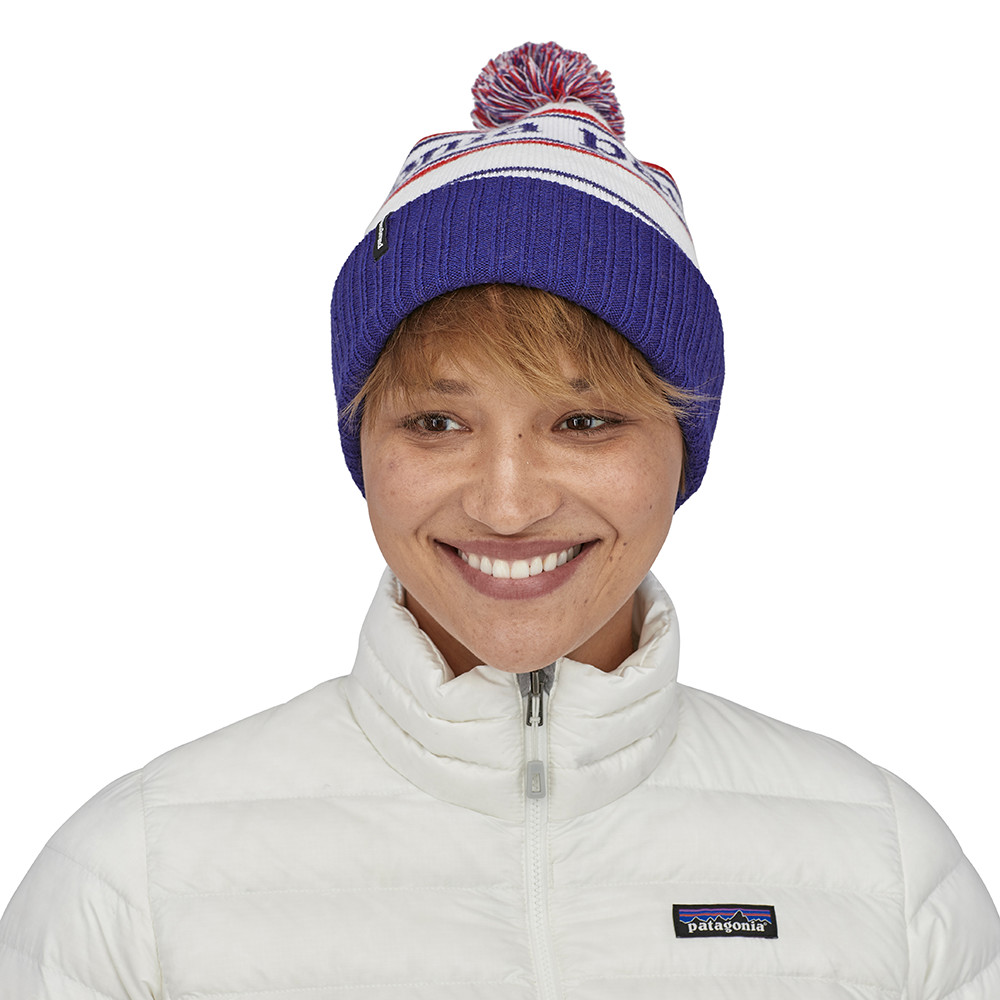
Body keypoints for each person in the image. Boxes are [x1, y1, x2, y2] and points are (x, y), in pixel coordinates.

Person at [1, 39, 997, 999]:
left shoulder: (887, 870)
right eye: (437, 422)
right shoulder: (134, 882)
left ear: (683, 448)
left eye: (583, 421)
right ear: (363, 446)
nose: (507, 504)